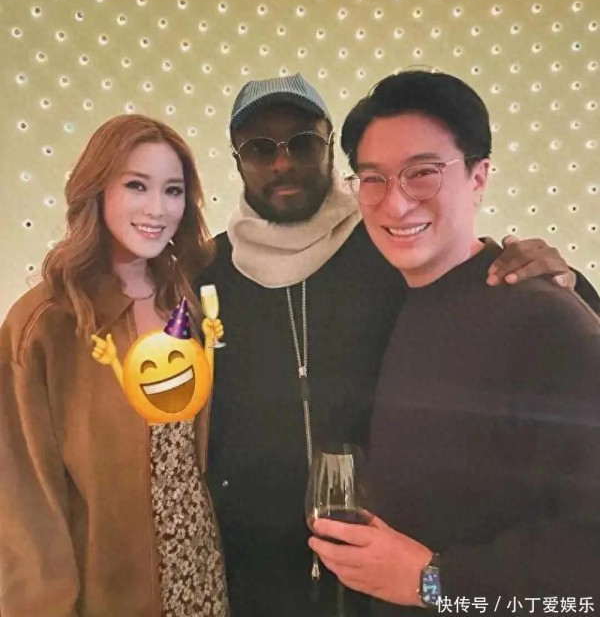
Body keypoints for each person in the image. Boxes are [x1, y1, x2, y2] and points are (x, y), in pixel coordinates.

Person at [199, 73, 599, 617]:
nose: (397, 204)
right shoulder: (208, 274)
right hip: (269, 576)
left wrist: (432, 582)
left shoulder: (527, 311)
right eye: (375, 179)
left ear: (478, 176)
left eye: (423, 174)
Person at [0, 115, 229, 617]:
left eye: (173, 190)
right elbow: (22, 500)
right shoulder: (45, 325)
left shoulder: (182, 300)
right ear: (96, 189)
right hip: (105, 592)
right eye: (136, 186)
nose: (157, 209)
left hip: (200, 572)